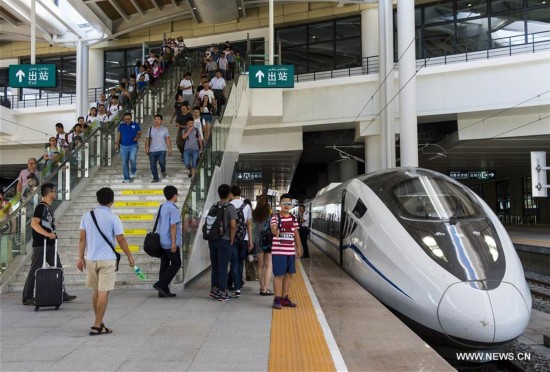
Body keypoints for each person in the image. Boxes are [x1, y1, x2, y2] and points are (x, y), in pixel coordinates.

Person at [77, 187, 135, 335]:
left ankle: (100, 323)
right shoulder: (114, 218)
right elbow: (120, 239)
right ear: (112, 201)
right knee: (104, 293)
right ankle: (97, 325)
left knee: (96, 291)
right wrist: (129, 255)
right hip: (107, 259)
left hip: (91, 258)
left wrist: (80, 258)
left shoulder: (86, 216)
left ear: (97, 199)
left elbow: (82, 239)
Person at [22, 183, 77, 306]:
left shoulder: (48, 208)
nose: (55, 193)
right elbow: (34, 224)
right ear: (49, 193)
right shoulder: (40, 207)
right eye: (54, 191)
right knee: (35, 270)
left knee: (58, 268)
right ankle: (27, 297)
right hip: (41, 245)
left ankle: (61, 293)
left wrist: (51, 233)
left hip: (50, 245)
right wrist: (47, 234)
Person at [271, 194, 302, 309]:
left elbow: (296, 233)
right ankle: (277, 299)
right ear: (280, 204)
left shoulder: (293, 218)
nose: (286, 205)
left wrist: (298, 248)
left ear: (291, 205)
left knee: (289, 275)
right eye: (284, 203)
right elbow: (273, 228)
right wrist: (275, 231)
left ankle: (284, 298)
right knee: (279, 275)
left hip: (290, 252)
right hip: (278, 251)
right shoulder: (275, 217)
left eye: (288, 203)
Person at [208, 184, 237, 302]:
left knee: (215, 266)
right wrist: (232, 238)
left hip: (212, 240)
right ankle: (223, 292)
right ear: (229, 194)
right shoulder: (230, 207)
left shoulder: (213, 206)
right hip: (224, 241)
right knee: (223, 266)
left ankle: (214, 290)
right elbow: (233, 225)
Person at [152, 185, 182, 297]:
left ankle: (163, 291)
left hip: (161, 240)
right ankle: (161, 284)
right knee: (177, 263)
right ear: (174, 195)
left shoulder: (162, 207)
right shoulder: (173, 209)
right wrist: (174, 243)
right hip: (170, 242)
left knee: (164, 264)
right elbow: (173, 226)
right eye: (177, 194)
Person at [228, 185, 253, 297]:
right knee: (240, 262)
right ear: (240, 193)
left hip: (232, 238)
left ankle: (236, 287)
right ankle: (239, 283)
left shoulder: (229, 205)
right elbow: (248, 224)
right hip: (244, 238)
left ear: (231, 194)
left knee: (233, 263)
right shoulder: (246, 206)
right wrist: (250, 241)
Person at [252, 195, 273, 296]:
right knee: (268, 265)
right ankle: (265, 288)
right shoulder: (269, 213)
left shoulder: (254, 213)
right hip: (268, 240)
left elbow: (254, 227)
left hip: (258, 240)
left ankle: (261, 288)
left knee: (260, 265)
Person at [115, 113, 141, 183]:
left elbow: (139, 133)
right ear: (124, 119)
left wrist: (137, 137)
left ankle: (133, 171)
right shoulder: (121, 126)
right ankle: (126, 178)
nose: (127, 120)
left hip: (133, 145)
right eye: (126, 119)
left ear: (131, 118)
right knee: (124, 162)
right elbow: (119, 135)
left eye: (129, 119)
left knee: (132, 158)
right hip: (123, 146)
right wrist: (117, 144)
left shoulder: (135, 125)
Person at [145, 114, 171, 183]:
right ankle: (155, 178)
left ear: (161, 121)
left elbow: (167, 139)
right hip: (152, 150)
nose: (157, 121)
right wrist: (146, 148)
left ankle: (163, 170)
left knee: (162, 162)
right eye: (155, 119)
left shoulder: (165, 129)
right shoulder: (150, 129)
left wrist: (169, 148)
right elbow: (148, 139)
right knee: (153, 165)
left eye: (158, 119)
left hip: (162, 149)